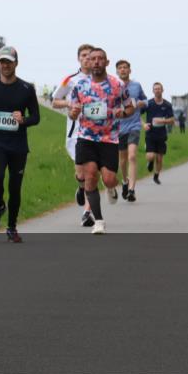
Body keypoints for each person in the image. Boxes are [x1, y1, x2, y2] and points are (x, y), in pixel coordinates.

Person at [0, 46, 41, 243]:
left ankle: (11, 227)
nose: (5, 65)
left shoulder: (27, 89)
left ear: (16, 64)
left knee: (15, 188)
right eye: (2, 62)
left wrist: (24, 120)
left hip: (18, 146)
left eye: (9, 62)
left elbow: (36, 117)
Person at [69, 47, 133, 235]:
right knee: (89, 176)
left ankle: (111, 188)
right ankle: (98, 220)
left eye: (100, 59)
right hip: (86, 137)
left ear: (107, 62)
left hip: (109, 139)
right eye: (92, 58)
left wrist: (123, 112)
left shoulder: (117, 85)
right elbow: (72, 111)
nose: (96, 61)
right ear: (87, 62)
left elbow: (130, 107)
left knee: (109, 178)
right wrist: (73, 112)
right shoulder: (79, 86)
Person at [51, 44, 96, 227]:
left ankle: (87, 212)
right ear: (79, 58)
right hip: (76, 133)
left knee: (92, 171)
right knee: (82, 174)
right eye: (84, 55)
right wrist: (69, 103)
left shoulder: (102, 81)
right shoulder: (70, 80)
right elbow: (54, 101)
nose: (87, 58)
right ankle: (80, 187)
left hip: (96, 132)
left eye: (90, 56)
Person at [115, 60, 147, 202]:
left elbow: (145, 100)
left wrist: (141, 103)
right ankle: (125, 181)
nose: (123, 70)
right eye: (120, 68)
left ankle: (132, 190)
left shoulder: (136, 85)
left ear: (130, 70)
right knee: (122, 160)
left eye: (125, 68)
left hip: (134, 125)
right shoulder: (113, 86)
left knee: (132, 156)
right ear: (117, 71)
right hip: (119, 127)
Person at [142, 83, 175, 184]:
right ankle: (150, 162)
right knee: (151, 156)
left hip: (161, 134)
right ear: (153, 91)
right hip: (150, 134)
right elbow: (137, 114)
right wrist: (143, 124)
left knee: (160, 159)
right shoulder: (149, 103)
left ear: (162, 90)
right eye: (155, 89)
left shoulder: (167, 105)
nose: (157, 91)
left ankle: (156, 176)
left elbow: (172, 119)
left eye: (159, 89)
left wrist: (163, 121)